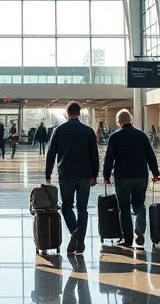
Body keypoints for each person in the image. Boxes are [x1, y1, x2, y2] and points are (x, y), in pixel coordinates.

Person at [45, 101, 99, 255]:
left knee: (67, 206)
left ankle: (75, 232)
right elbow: (94, 155)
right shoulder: (88, 131)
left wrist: (48, 173)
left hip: (66, 175)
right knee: (82, 209)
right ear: (79, 113)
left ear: (67, 113)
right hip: (84, 176)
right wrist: (94, 175)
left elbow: (51, 153)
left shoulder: (59, 130)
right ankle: (80, 241)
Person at [103, 109, 160, 248]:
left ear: (118, 122)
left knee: (124, 208)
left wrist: (106, 175)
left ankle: (128, 239)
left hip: (122, 177)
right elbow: (150, 155)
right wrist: (155, 173)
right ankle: (140, 232)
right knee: (139, 204)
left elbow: (109, 158)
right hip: (141, 176)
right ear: (130, 120)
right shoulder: (141, 135)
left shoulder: (115, 137)